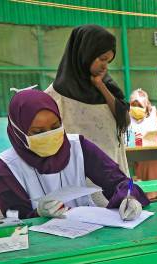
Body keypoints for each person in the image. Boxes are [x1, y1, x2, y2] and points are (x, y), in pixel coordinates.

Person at [0, 89, 149, 264]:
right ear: (19, 131)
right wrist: (35, 213)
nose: (50, 136)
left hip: (90, 249)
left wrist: (129, 196)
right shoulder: (6, 167)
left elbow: (119, 180)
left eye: (55, 126)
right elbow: (10, 220)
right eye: (38, 132)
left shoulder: (78, 146)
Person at [46, 25, 130, 184]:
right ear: (85, 53)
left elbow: (124, 120)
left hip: (112, 171)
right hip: (79, 177)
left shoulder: (108, 87)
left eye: (109, 61)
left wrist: (101, 86)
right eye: (102, 59)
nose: (105, 66)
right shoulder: (56, 96)